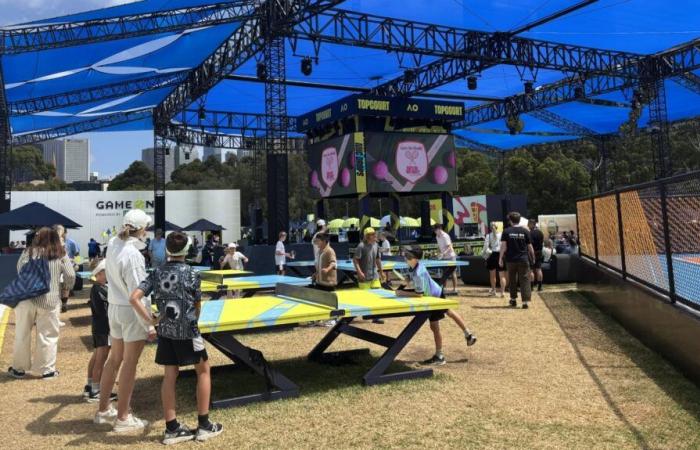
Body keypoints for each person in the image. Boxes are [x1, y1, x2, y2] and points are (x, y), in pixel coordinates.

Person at [129, 232, 223, 444]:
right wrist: (194, 320)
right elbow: (197, 304)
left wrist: (151, 320)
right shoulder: (191, 273)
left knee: (170, 375)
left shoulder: (157, 272)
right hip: (188, 331)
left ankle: (172, 428)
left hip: (165, 330)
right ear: (186, 250)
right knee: (203, 371)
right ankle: (204, 425)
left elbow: (134, 297)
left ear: (167, 250)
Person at [94, 209, 155, 432]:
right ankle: (123, 417)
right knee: (129, 363)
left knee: (114, 360)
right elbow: (138, 294)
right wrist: (149, 323)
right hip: (130, 312)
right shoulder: (134, 255)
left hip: (115, 308)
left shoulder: (112, 243)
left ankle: (103, 411)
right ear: (141, 229)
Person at [8, 227, 75, 380]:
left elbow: (20, 270)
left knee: (22, 334)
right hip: (49, 299)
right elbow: (70, 275)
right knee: (48, 335)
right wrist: (64, 289)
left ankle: (19, 369)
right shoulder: (60, 254)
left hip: (25, 298)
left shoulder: (28, 252)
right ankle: (46, 370)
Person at [396, 245, 476, 366]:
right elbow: (408, 278)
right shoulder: (415, 266)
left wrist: (402, 293)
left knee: (434, 327)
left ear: (415, 259)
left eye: (408, 256)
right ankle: (468, 334)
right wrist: (401, 287)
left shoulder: (418, 272)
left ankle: (439, 356)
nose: (405, 257)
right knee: (449, 312)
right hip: (437, 292)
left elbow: (419, 294)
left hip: (434, 298)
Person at [83, 260, 116, 403]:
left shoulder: (99, 288)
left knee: (97, 355)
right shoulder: (99, 289)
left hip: (99, 327)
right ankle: (96, 390)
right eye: (106, 272)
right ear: (99, 274)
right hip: (103, 328)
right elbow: (105, 311)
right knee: (101, 357)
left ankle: (90, 385)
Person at [499, 212, 535, 309]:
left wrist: (500, 258)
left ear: (510, 221)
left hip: (511, 260)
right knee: (525, 279)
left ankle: (513, 299)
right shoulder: (526, 231)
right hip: (523, 259)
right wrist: (533, 256)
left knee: (512, 280)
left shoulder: (506, 231)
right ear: (519, 220)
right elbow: (530, 246)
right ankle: (525, 302)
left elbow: (503, 246)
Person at [353, 228, 386, 323]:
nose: (374, 235)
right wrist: (359, 272)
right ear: (367, 236)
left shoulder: (376, 245)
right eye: (372, 234)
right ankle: (361, 313)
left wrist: (381, 272)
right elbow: (355, 260)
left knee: (377, 295)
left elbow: (377, 259)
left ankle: (375, 317)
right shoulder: (361, 246)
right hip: (364, 275)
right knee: (365, 297)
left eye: (374, 234)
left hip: (374, 275)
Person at [483, 223, 507, 298]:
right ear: (497, 227)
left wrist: (490, 252)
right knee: (502, 276)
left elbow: (485, 248)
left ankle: (494, 290)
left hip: (492, 256)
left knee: (492, 276)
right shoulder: (502, 235)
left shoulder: (488, 236)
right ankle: (502, 292)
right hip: (501, 255)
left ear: (490, 228)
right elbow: (504, 246)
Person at [434, 224, 458, 294]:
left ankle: (455, 289)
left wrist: (444, 253)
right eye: (435, 230)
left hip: (451, 256)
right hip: (444, 258)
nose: (435, 231)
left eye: (436, 230)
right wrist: (438, 252)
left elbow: (450, 246)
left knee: (453, 272)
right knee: (444, 273)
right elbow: (439, 246)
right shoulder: (437, 237)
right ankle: (443, 289)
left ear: (440, 229)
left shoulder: (445, 236)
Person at [528, 219, 545, 292]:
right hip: (539, 252)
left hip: (532, 253)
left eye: (529, 224)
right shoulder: (541, 233)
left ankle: (531, 287)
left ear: (532, 224)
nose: (528, 225)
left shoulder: (530, 233)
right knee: (539, 269)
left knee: (531, 270)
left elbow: (529, 245)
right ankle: (540, 287)